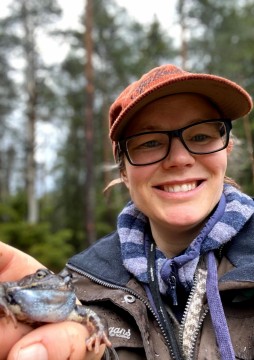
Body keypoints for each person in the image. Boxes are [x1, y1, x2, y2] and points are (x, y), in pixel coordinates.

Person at [1, 64, 254, 360]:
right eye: (150, 142)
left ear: (227, 148)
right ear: (123, 170)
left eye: (200, 136)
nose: (180, 158)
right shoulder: (81, 286)